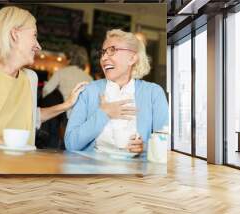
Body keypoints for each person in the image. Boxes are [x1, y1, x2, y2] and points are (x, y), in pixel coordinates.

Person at [0, 6, 86, 146]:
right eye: (34, 35)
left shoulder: (29, 78)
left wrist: (67, 104)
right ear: (15, 34)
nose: (38, 46)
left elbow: (30, 117)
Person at [65, 29, 168, 157]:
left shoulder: (154, 93)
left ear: (132, 58)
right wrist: (104, 113)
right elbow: (71, 143)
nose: (103, 58)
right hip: (93, 170)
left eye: (112, 50)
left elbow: (166, 141)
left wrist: (145, 147)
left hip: (137, 174)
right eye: (103, 52)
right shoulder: (89, 91)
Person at [42, 44, 93, 117]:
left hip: (64, 116)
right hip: (83, 117)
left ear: (69, 58)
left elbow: (46, 91)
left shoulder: (61, 72)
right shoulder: (89, 78)